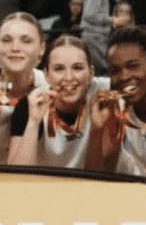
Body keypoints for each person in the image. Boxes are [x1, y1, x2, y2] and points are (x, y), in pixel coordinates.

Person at [88, 25, 146, 177]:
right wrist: (97, 129)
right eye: (115, 70)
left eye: (133, 66)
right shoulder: (116, 107)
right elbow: (99, 175)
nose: (124, 76)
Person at [7, 35, 107, 169]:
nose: (69, 77)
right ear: (46, 75)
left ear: (91, 73)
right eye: (59, 68)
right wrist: (33, 121)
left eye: (77, 68)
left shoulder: (103, 94)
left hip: (89, 185)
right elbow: (16, 176)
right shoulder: (31, 104)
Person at [0, 12, 47, 165]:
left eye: (26, 41)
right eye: (6, 40)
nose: (15, 48)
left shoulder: (51, 87)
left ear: (42, 48)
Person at [80, 0, 128, 72]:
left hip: (95, 36)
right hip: (94, 37)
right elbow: (90, 14)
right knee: (105, 70)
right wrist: (112, 19)